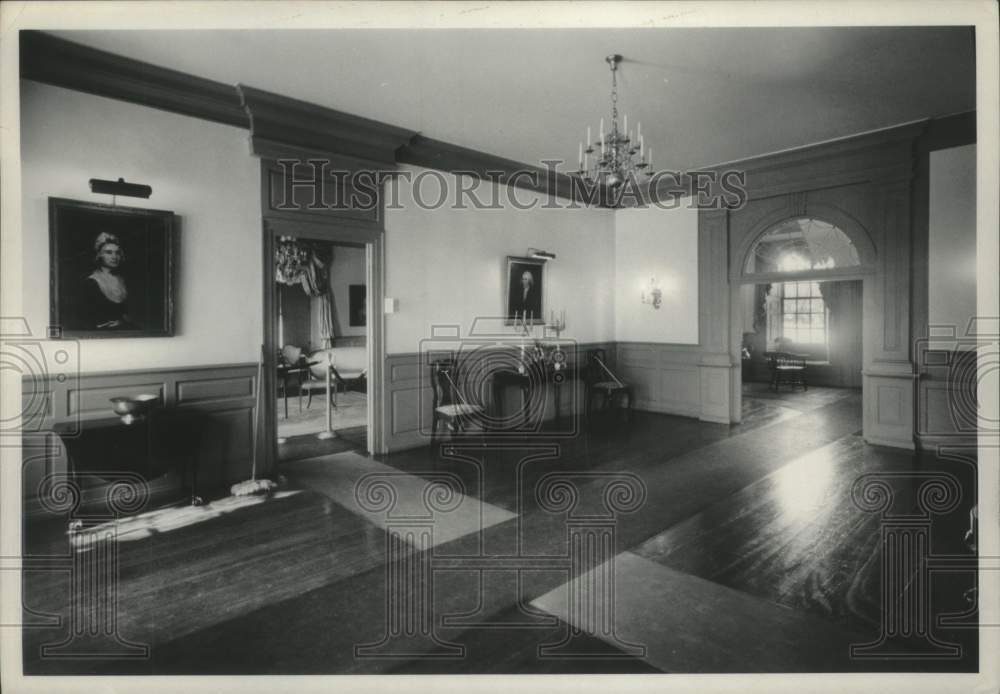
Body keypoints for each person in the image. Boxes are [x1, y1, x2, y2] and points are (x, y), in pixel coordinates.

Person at [76, 232, 134, 330]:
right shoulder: (91, 282)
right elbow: (86, 318)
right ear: (99, 255)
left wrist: (122, 321)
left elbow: (127, 314)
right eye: (109, 252)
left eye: (117, 253)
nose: (114, 257)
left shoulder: (122, 280)